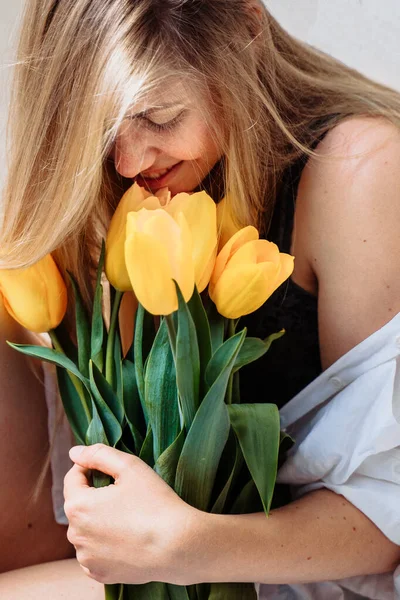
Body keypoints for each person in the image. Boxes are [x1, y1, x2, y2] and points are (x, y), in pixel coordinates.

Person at [0, 0, 400, 598]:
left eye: (158, 118)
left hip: (307, 574)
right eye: (101, 130)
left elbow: (386, 516)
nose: (129, 161)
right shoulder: (127, 186)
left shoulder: (359, 169)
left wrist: (187, 547)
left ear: (243, 35)